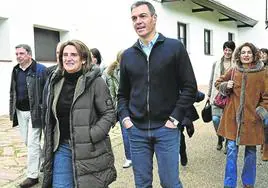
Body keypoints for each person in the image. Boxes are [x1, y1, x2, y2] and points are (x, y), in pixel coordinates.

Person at [117, 1, 197, 187]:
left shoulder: (174, 48)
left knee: (170, 183)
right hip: (136, 130)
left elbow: (189, 87)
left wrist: (175, 119)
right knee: (142, 184)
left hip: (166, 129)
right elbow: (122, 94)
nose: (138, 21)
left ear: (154, 18)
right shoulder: (128, 55)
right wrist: (125, 119)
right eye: (134, 18)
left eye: (143, 16)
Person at [41, 40, 117, 188]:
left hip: (89, 149)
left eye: (74, 55)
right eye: (65, 54)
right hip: (62, 147)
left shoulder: (96, 82)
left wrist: (91, 135)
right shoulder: (55, 81)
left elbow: (109, 113)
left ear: (83, 59)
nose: (68, 58)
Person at [215, 42, 268, 188]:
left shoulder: (262, 73)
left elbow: (267, 97)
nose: (246, 55)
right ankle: (229, 184)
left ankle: (248, 182)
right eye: (243, 52)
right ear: (239, 54)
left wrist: (260, 112)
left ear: (254, 54)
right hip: (232, 118)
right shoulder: (233, 70)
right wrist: (226, 86)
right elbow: (218, 82)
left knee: (250, 152)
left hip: (252, 119)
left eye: (249, 52)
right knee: (231, 150)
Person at [9, 44, 47, 188]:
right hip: (20, 111)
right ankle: (45, 162)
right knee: (28, 142)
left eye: (21, 53)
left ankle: (32, 176)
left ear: (29, 54)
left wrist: (45, 109)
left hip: (35, 112)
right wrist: (12, 110)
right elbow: (12, 91)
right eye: (17, 53)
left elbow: (48, 91)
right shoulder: (15, 70)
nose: (18, 56)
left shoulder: (40, 69)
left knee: (32, 143)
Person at [102, 50, 132, 168]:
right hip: (121, 106)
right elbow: (111, 93)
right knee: (125, 132)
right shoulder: (111, 73)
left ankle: (132, 157)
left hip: (131, 106)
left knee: (130, 132)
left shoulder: (132, 70)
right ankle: (129, 157)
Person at [208, 41, 236, 153]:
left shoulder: (236, 64)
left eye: (230, 50)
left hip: (230, 97)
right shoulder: (216, 63)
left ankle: (227, 142)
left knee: (228, 121)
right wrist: (209, 94)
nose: (227, 52)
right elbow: (211, 79)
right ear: (223, 50)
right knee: (215, 119)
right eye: (226, 49)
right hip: (216, 96)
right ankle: (220, 137)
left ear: (233, 51)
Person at [180, 91, 205, 166]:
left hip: (184, 115)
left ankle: (182, 153)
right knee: (178, 135)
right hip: (170, 115)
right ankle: (182, 154)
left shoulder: (183, 85)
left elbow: (201, 96)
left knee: (179, 135)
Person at [260, 48, 268, 161]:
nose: (262, 55)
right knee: (265, 124)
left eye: (264, 54)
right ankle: (264, 145)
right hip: (263, 103)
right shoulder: (259, 70)